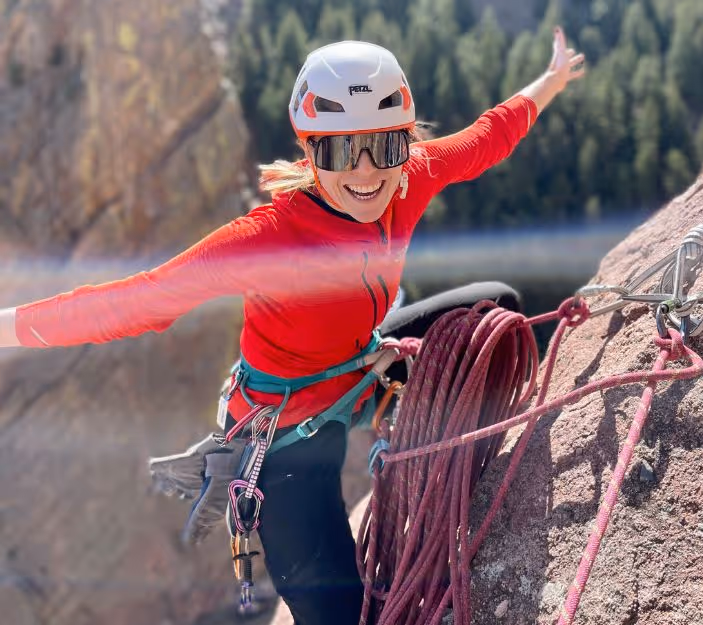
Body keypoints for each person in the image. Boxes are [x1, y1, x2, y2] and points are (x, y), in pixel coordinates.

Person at [0, 28, 585, 625]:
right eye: (337, 151)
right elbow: (135, 302)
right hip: (283, 444)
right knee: (340, 616)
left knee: (495, 310)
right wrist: (8, 327)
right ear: (310, 152)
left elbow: (487, 138)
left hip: (357, 369)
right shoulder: (268, 240)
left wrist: (551, 81)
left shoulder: (410, 176)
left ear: (405, 144)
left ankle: (432, 447)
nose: (363, 173)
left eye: (382, 147)